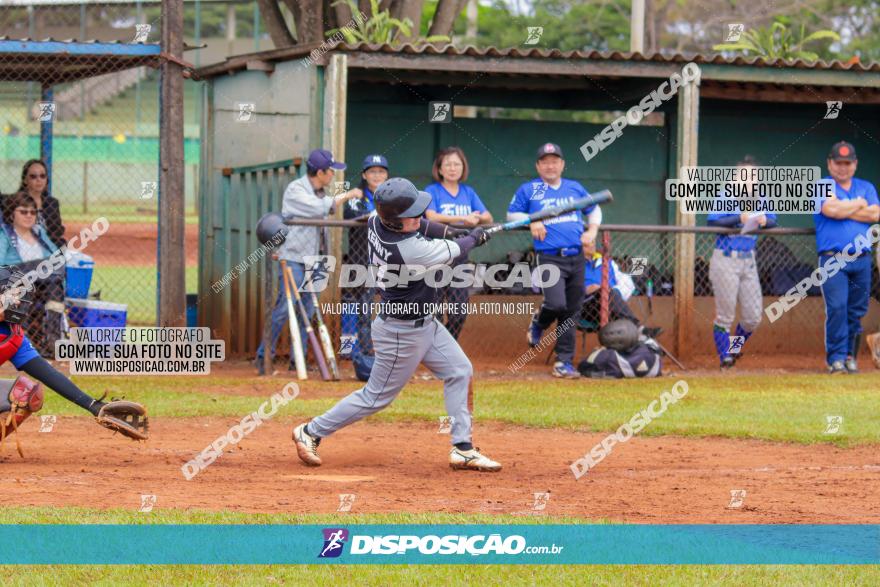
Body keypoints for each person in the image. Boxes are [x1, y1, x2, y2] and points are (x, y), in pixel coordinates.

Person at [292, 177, 501, 472]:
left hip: (426, 323)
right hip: (401, 331)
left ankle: (463, 448)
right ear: (395, 221)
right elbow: (458, 250)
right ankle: (311, 431)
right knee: (375, 397)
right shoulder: (409, 250)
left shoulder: (380, 218)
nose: (417, 217)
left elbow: (425, 225)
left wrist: (452, 229)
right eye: (410, 214)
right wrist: (474, 237)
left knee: (460, 371)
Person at [0, 266, 148, 450]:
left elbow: (48, 374)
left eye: (19, 294)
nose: (18, 301)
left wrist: (92, 405)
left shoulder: (13, 335)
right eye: (11, 294)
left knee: (27, 392)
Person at [255, 149, 358, 372]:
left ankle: (298, 360)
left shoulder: (322, 191)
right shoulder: (296, 189)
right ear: (320, 172)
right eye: (331, 171)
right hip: (293, 257)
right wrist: (347, 196)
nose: (333, 175)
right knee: (286, 307)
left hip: (316, 260)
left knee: (308, 312)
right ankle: (264, 357)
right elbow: (320, 208)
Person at [507, 142, 601, 378]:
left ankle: (564, 362)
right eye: (545, 161)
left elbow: (595, 209)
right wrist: (532, 219)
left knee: (571, 310)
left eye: (554, 161)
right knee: (557, 304)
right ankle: (539, 322)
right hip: (550, 257)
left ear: (562, 164)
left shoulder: (574, 188)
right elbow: (511, 214)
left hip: (576, 256)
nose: (550, 165)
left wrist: (592, 231)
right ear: (538, 166)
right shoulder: (531, 189)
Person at [814, 141, 880, 374]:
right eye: (838, 163)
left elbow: (875, 213)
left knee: (856, 310)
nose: (843, 168)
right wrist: (858, 206)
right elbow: (830, 210)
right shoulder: (822, 184)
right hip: (833, 260)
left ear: (855, 164)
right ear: (829, 163)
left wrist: (845, 208)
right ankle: (836, 358)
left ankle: (850, 356)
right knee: (838, 308)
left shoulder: (866, 186)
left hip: (861, 259)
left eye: (848, 163)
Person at [706, 155, 778, 368]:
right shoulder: (725, 194)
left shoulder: (760, 197)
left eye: (753, 176)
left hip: (749, 261)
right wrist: (740, 218)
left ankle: (733, 349)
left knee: (753, 318)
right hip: (726, 259)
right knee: (725, 315)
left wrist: (766, 220)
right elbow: (712, 222)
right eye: (744, 175)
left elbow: (773, 220)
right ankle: (725, 358)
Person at [424, 146, 493, 339]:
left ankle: (446, 346)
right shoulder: (432, 190)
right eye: (447, 164)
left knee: (459, 313)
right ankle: (434, 349)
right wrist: (463, 218)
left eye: (457, 164)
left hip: (460, 259)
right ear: (439, 169)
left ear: (463, 168)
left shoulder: (468, 192)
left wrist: (477, 219)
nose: (452, 168)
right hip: (436, 258)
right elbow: (431, 216)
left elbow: (488, 216)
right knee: (434, 313)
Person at [0, 191, 65, 356]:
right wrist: (33, 268)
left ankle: (52, 341)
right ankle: (23, 340)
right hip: (16, 284)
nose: (29, 215)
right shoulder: (5, 234)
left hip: (45, 284)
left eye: (33, 212)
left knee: (55, 286)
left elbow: (56, 257)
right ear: (11, 213)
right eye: (23, 211)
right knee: (45, 273)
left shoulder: (39, 232)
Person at [343, 154, 389, 379]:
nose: (377, 175)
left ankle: (374, 353)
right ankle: (358, 353)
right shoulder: (359, 196)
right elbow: (351, 214)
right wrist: (373, 215)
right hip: (361, 260)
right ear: (364, 175)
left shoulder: (392, 195)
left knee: (379, 307)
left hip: (385, 260)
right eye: (372, 171)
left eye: (381, 171)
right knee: (359, 306)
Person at [580, 239, 660, 337]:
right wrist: (586, 289)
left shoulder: (607, 262)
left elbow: (626, 282)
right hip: (587, 307)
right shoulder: (574, 264)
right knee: (606, 293)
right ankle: (639, 330)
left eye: (593, 242)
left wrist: (613, 291)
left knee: (610, 294)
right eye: (587, 244)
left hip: (612, 305)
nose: (592, 245)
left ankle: (643, 342)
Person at [17, 160, 66, 248]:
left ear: (46, 179)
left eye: (42, 176)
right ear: (25, 180)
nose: (39, 179)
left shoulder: (52, 203)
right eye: (33, 176)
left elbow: (56, 233)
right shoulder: (15, 202)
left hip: (47, 249)